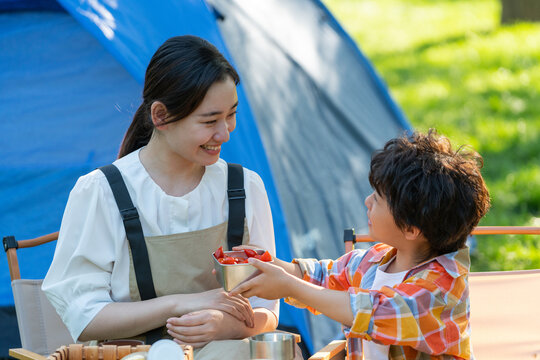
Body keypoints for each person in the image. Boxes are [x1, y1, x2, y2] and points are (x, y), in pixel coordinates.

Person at [42, 35, 279, 358]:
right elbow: (84, 317)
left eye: (231, 115)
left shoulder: (243, 187)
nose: (225, 133)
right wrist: (181, 303)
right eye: (210, 120)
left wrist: (230, 326)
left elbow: (268, 307)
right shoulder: (102, 191)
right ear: (160, 116)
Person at [231, 130, 491, 360]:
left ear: (411, 229)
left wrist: (290, 287)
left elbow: (372, 312)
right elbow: (319, 277)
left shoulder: (442, 289)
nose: (367, 202)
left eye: (377, 199)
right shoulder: (373, 261)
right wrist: (265, 264)